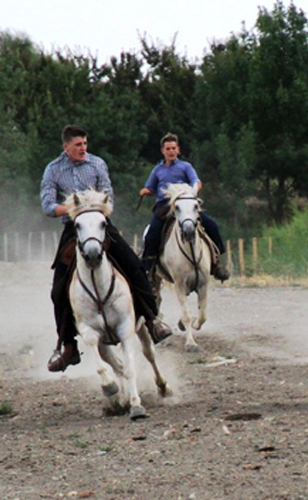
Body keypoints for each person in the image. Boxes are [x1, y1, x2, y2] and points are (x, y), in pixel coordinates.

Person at [41, 125, 172, 373]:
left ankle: (153, 320)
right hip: (74, 228)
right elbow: (48, 205)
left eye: (85, 144)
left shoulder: (97, 164)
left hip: (101, 224)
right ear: (66, 146)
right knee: (59, 287)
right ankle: (68, 346)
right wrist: (73, 209)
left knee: (133, 264)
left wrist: (95, 209)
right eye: (78, 145)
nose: (83, 149)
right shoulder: (53, 169)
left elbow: (108, 196)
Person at [138, 133, 230, 281]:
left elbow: (196, 182)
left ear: (178, 149)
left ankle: (216, 262)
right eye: (168, 148)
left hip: (185, 202)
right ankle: (148, 269)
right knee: (152, 232)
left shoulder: (186, 167)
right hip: (166, 204)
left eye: (173, 148)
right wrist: (146, 191)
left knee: (212, 225)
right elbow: (150, 187)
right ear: (163, 151)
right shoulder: (157, 170)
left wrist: (194, 191)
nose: (171, 151)